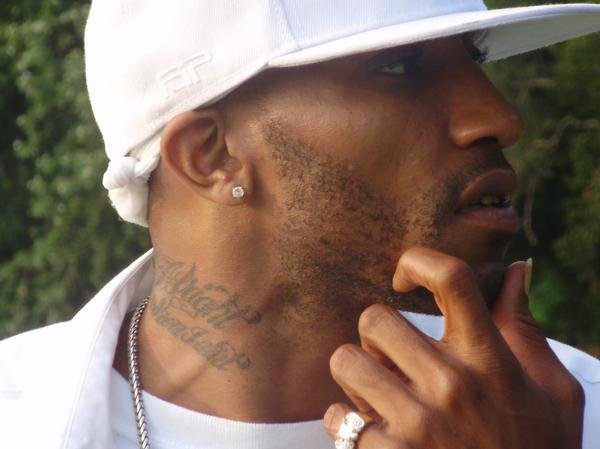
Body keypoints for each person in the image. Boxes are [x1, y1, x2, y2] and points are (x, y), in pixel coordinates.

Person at [1, 1, 599, 448]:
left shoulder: (575, 411)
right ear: (210, 156)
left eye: (475, 58)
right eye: (398, 67)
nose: (498, 117)